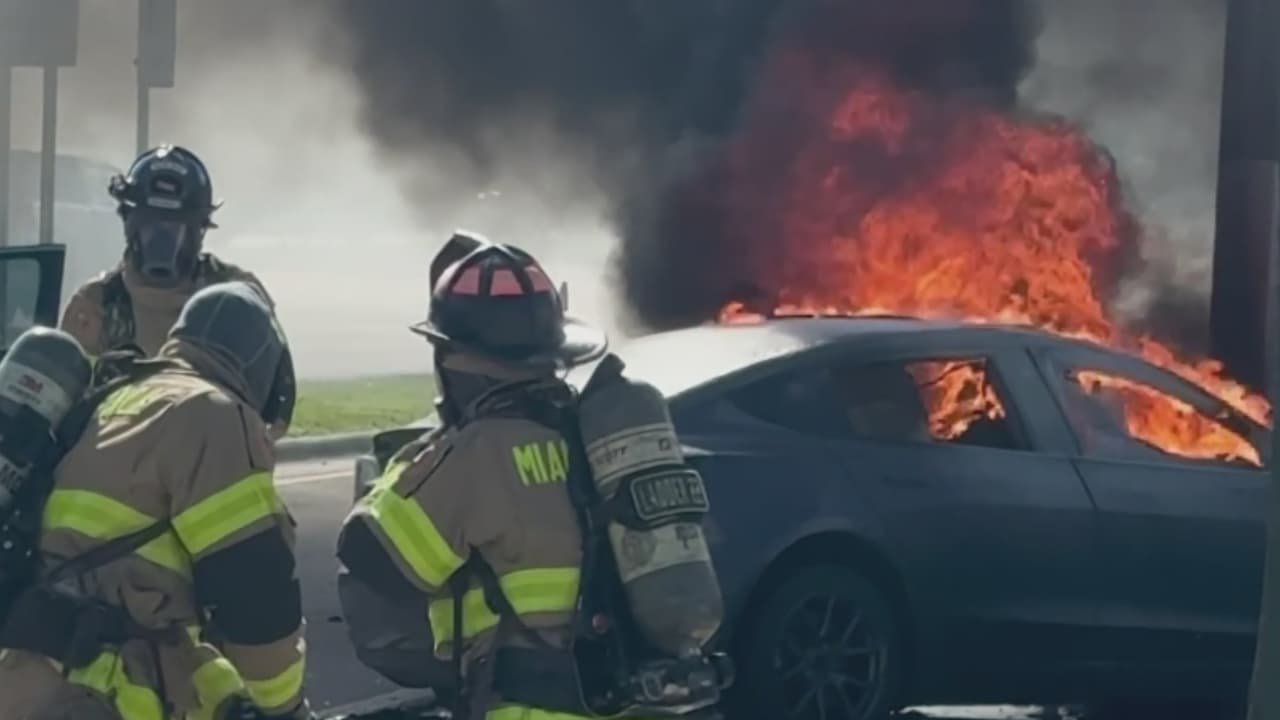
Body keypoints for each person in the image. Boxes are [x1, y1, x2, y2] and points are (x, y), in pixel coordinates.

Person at [0, 281, 311, 720]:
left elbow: (165, 625)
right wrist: (286, 707)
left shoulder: (111, 398)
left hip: (27, 677)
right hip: (102, 696)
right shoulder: (214, 415)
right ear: (263, 373)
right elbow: (255, 596)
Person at [337, 233, 608, 720]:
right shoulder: (599, 433)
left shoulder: (477, 455)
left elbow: (370, 553)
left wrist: (420, 456)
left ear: (454, 361)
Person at [58, 144, 295, 438]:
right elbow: (61, 405)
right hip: (119, 461)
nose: (162, 239)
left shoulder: (237, 298)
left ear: (198, 231)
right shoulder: (96, 305)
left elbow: (279, 397)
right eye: (151, 224)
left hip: (209, 460)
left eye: (175, 226)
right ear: (130, 224)